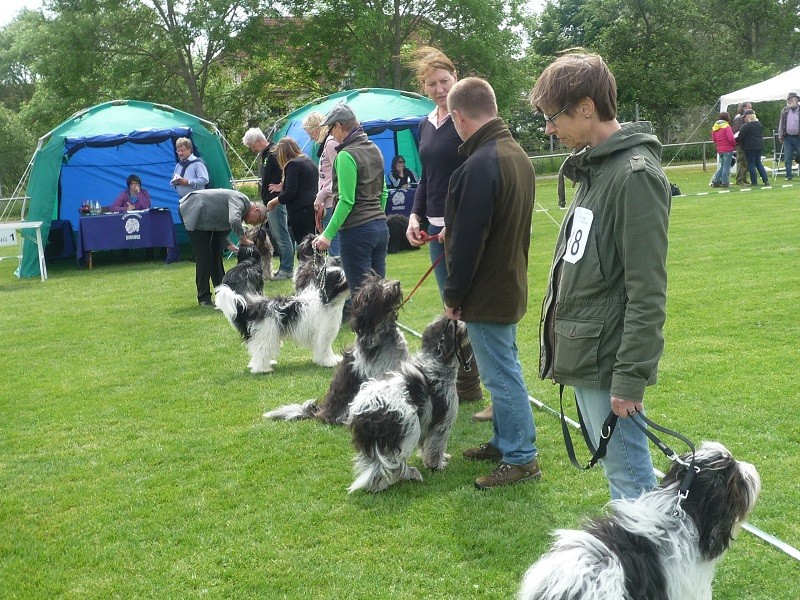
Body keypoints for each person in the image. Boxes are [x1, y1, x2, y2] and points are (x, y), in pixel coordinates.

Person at [531, 53, 670, 500]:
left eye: (553, 117)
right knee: (623, 483)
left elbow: (647, 291)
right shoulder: (597, 169)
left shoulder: (634, 176)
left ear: (586, 106)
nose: (549, 129)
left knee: (632, 488)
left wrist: (629, 378)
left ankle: (647, 571)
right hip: (585, 352)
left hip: (605, 360)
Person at [443, 77, 538, 489]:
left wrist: (453, 294)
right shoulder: (516, 154)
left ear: (459, 117)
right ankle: (503, 441)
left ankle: (522, 457)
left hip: (488, 290)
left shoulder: (481, 164)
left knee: (501, 375)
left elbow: (468, 242)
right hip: (508, 282)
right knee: (504, 367)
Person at [404, 46, 486, 413]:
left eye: (445, 81)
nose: (439, 88)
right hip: (436, 235)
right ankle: (468, 387)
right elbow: (426, 178)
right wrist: (414, 217)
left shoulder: (468, 119)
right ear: (424, 88)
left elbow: (482, 173)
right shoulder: (425, 123)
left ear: (457, 79)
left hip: (463, 229)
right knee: (453, 313)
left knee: (480, 310)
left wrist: (458, 222)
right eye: (432, 84)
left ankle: (500, 397)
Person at [311, 103, 389, 297]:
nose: (331, 135)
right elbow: (384, 192)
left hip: (357, 232)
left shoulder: (345, 155)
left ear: (339, 126)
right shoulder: (374, 149)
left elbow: (346, 200)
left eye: (330, 129)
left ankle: (365, 328)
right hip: (380, 228)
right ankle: (383, 327)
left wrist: (327, 235)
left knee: (361, 297)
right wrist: (376, 217)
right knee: (378, 295)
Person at [179, 188, 267, 306]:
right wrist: (244, 239)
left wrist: (236, 249)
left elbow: (221, 236)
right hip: (193, 210)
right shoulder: (241, 201)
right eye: (258, 220)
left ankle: (222, 294)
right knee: (205, 256)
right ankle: (203, 298)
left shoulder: (241, 210)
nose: (253, 224)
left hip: (205, 220)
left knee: (216, 256)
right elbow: (233, 220)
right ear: (256, 210)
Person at [242, 128, 294, 280]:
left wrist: (281, 185)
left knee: (281, 235)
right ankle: (284, 267)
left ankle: (287, 269)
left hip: (276, 201)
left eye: (252, 146)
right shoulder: (266, 154)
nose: (252, 149)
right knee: (278, 236)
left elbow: (288, 169)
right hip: (270, 201)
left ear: (259, 141)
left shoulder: (273, 152)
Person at [267, 137, 319, 243]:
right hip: (313, 209)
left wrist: (272, 202)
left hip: (300, 212)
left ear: (282, 153)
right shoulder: (309, 162)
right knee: (313, 244)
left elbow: (289, 193)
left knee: (304, 246)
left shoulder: (293, 165)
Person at [303, 111, 340, 256]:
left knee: (335, 250)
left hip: (332, 203)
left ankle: (338, 277)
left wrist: (321, 196)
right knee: (334, 249)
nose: (310, 137)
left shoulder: (330, 143)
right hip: (328, 203)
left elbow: (339, 176)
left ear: (317, 128)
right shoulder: (328, 144)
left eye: (310, 132)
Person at [737, 109, 770, 186]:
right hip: (759, 145)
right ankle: (766, 180)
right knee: (758, 163)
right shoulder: (759, 124)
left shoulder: (746, 126)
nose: (744, 118)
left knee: (751, 164)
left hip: (749, 147)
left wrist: (735, 140)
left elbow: (740, 137)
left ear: (748, 117)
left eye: (744, 117)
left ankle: (754, 182)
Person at [709, 112, 736, 188]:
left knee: (722, 166)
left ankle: (716, 181)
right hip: (727, 148)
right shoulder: (726, 126)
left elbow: (714, 139)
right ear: (727, 118)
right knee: (726, 166)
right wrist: (734, 144)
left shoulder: (715, 127)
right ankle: (725, 183)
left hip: (719, 149)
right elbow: (731, 138)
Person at [778, 92, 800, 180]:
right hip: (788, 137)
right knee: (787, 157)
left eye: (791, 99)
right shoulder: (785, 110)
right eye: (788, 100)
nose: (789, 101)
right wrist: (780, 135)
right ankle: (788, 175)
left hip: (798, 137)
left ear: (797, 100)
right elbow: (781, 124)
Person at [732, 102, 752, 185]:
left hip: (747, 142)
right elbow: (738, 131)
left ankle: (744, 178)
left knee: (746, 162)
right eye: (749, 107)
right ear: (743, 108)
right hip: (741, 143)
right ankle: (739, 179)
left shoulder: (744, 117)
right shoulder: (739, 118)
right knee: (741, 161)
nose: (751, 109)